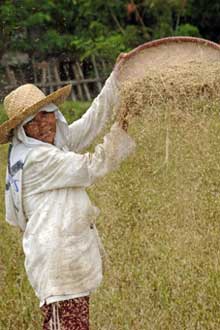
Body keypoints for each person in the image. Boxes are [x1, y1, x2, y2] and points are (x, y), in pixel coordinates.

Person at [0, 64, 135, 329]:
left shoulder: (40, 148)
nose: (42, 124)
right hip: (59, 263)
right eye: (32, 122)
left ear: (54, 113)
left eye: (45, 115)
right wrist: (123, 126)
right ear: (21, 131)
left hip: (61, 258)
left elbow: (90, 123)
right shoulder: (38, 158)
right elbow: (93, 165)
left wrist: (116, 77)